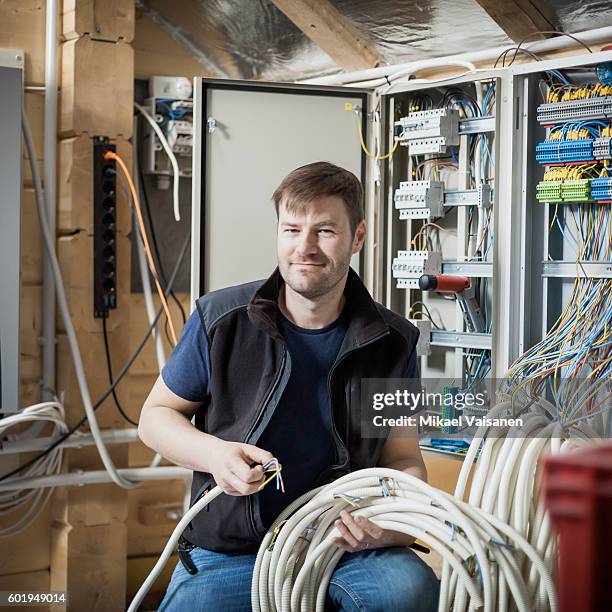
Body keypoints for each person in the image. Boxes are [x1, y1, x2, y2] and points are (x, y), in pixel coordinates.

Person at [138, 161, 439, 611]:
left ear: (358, 236)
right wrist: (216, 456)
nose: (305, 247)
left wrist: (392, 527)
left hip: (343, 549)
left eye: (324, 231)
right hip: (232, 550)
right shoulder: (220, 320)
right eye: (292, 229)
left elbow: (402, 460)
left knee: (408, 591)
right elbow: (155, 418)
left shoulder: (393, 341)